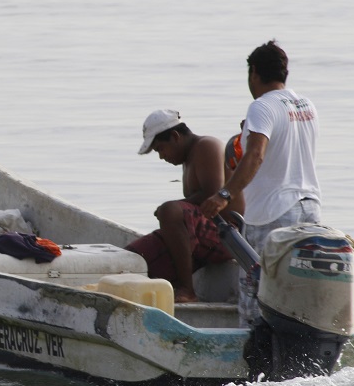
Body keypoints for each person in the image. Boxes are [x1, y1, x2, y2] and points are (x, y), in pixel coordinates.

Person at [201, 40, 321, 325]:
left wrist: (224, 194)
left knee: (256, 293)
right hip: (310, 210)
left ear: (254, 72)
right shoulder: (307, 105)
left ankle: (254, 365)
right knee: (294, 289)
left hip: (273, 213)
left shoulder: (261, 106)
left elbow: (255, 155)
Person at [125, 109, 241, 303]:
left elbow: (212, 196)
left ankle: (187, 289)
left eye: (160, 149)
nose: (161, 157)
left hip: (228, 234)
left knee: (170, 211)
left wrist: (169, 210)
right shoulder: (187, 159)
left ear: (175, 136)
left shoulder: (206, 146)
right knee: (131, 257)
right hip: (204, 236)